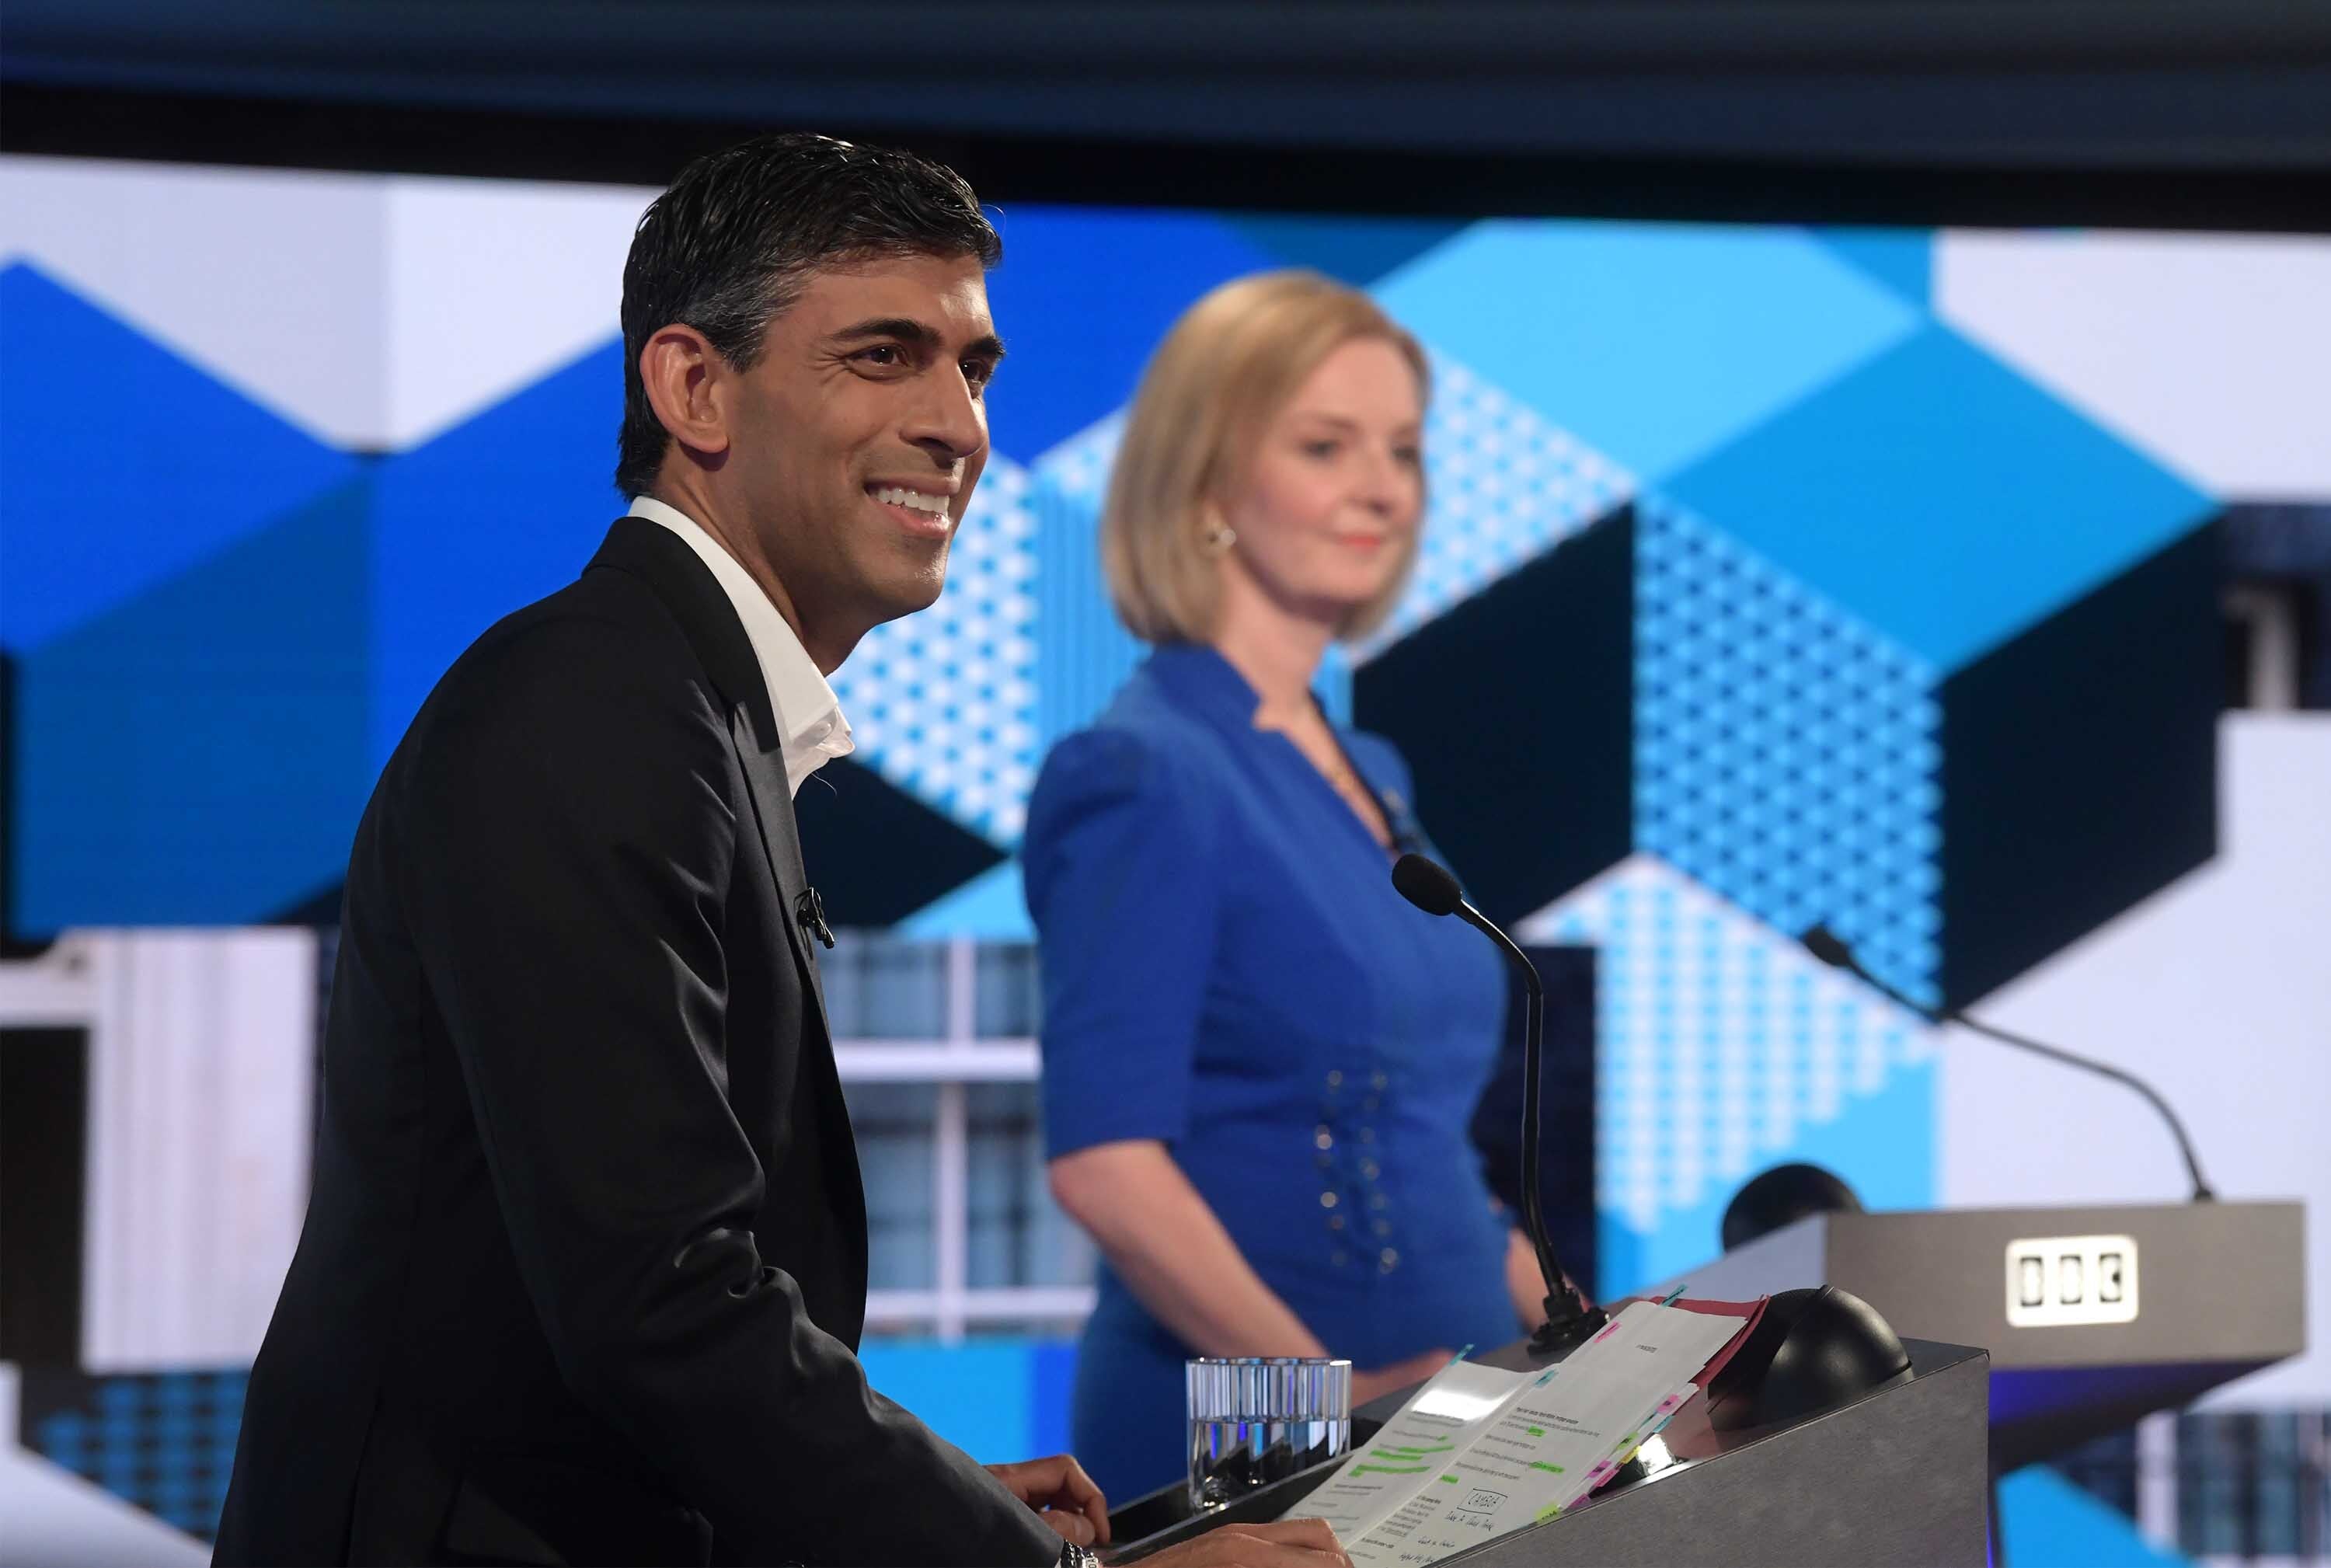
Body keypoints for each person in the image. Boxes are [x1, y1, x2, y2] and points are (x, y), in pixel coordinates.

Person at [217, 134, 1345, 1568]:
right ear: (695, 388)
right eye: (884, 356)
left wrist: (943, 1502)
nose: (959, 426)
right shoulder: (589, 709)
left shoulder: (675, 699)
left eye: (972, 368)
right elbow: (665, 1304)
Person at [1024, 272, 1556, 1503]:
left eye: (1406, 452)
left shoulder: (1371, 769)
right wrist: (1347, 1410)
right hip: (1247, 1434)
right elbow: (1104, 1161)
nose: (1382, 487)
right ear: (1207, 479)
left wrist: (1586, 1338)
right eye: (1327, 446)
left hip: (1458, 1419)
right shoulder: (1142, 770)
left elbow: (1418, 1131)